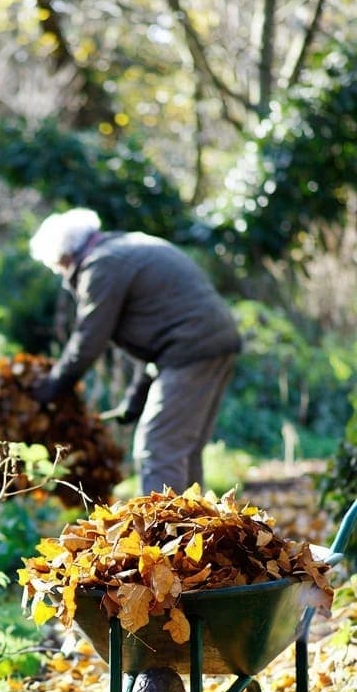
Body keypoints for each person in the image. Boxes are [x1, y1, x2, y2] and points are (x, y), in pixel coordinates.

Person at [28, 207, 242, 495]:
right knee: (184, 449)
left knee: (159, 447)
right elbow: (160, 334)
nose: (61, 275)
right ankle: (198, 534)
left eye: (58, 267)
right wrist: (135, 397)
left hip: (191, 350)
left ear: (66, 256)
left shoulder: (102, 265)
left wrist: (54, 385)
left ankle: (166, 534)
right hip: (213, 342)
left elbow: (89, 338)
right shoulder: (124, 248)